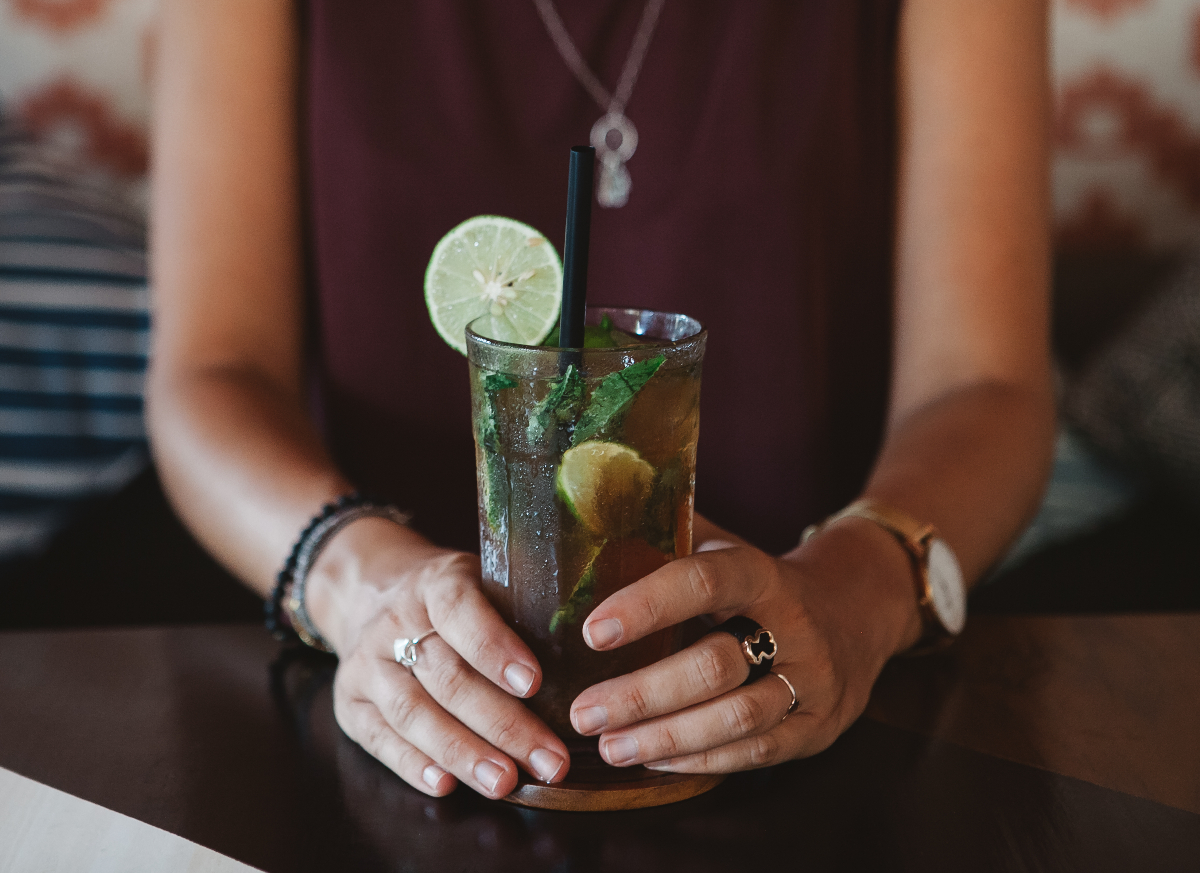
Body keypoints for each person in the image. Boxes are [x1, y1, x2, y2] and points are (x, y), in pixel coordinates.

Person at [148, 0, 1055, 799]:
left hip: (817, 734)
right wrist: (359, 583)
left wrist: (859, 596)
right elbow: (210, 375)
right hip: (398, 744)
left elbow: (989, 385)